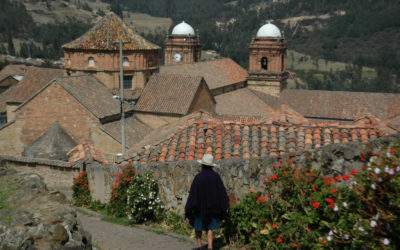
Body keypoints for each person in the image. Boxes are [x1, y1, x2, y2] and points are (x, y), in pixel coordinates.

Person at [185, 154, 230, 250]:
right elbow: (221, 192)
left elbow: (193, 193)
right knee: (210, 227)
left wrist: (189, 208)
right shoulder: (216, 177)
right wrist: (224, 206)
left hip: (198, 207)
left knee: (198, 227)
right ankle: (210, 247)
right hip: (212, 208)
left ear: (202, 165)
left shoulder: (198, 177)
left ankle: (199, 246)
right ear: (211, 166)